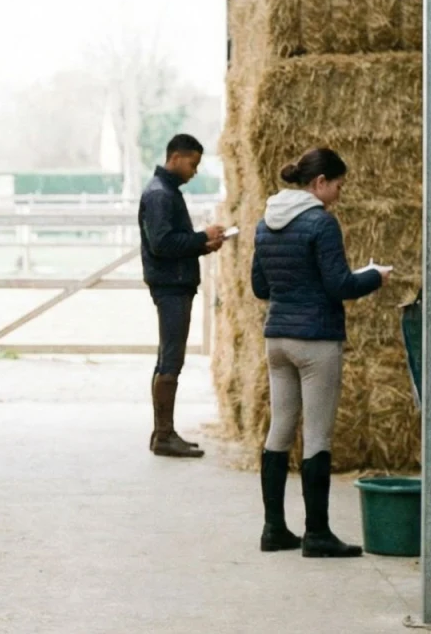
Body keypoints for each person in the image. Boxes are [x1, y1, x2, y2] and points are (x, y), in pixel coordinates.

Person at [251, 147, 386, 558]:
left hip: (277, 340)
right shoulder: (320, 223)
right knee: (317, 435)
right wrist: (374, 277)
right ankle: (317, 533)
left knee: (279, 430)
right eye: (339, 185)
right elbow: (339, 285)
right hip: (316, 341)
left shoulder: (265, 222)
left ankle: (274, 529)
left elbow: (260, 288)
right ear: (320, 182)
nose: (340, 194)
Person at [138, 134, 225, 458]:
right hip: (171, 285)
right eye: (193, 163)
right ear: (176, 157)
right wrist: (202, 237)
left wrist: (202, 245)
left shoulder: (165, 191)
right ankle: (164, 434)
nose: (194, 171)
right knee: (171, 358)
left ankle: (164, 431)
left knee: (168, 356)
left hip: (173, 282)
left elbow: (174, 241)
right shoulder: (160, 195)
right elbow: (163, 244)